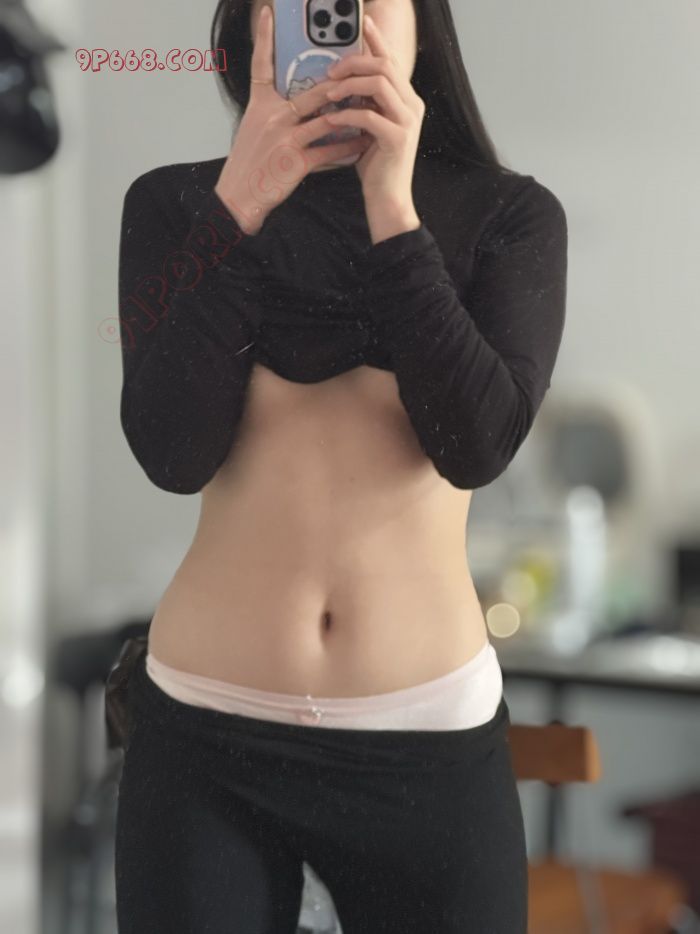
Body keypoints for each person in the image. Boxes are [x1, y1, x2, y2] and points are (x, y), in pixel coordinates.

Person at [114, 1, 568, 931]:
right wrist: (239, 207)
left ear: (421, 25)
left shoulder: (511, 214)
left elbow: (473, 446)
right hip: (203, 733)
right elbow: (172, 453)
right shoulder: (174, 205)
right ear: (255, 24)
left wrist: (394, 210)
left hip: (426, 740)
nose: (339, 17)